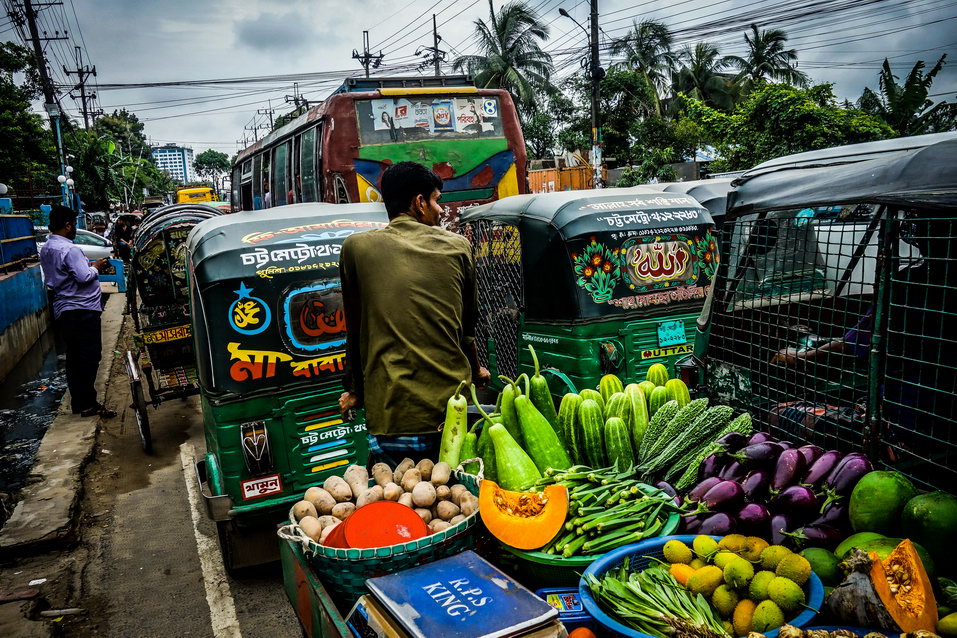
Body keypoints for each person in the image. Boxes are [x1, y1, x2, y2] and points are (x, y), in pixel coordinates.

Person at [337, 161, 490, 464]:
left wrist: (354, 390)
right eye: (436, 200)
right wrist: (476, 371)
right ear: (419, 203)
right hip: (451, 413)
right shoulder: (458, 246)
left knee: (401, 499)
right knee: (457, 500)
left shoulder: (356, 248)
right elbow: (466, 329)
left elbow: (355, 330)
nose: (440, 210)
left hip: (392, 417)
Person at [40, 205, 116, 418]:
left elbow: (66, 273)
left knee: (74, 358)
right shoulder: (70, 249)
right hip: (82, 309)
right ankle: (88, 404)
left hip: (64, 309)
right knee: (90, 357)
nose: (74, 228)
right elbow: (83, 277)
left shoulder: (47, 248)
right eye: (73, 224)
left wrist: (87, 265)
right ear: (67, 226)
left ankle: (79, 402)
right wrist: (96, 267)